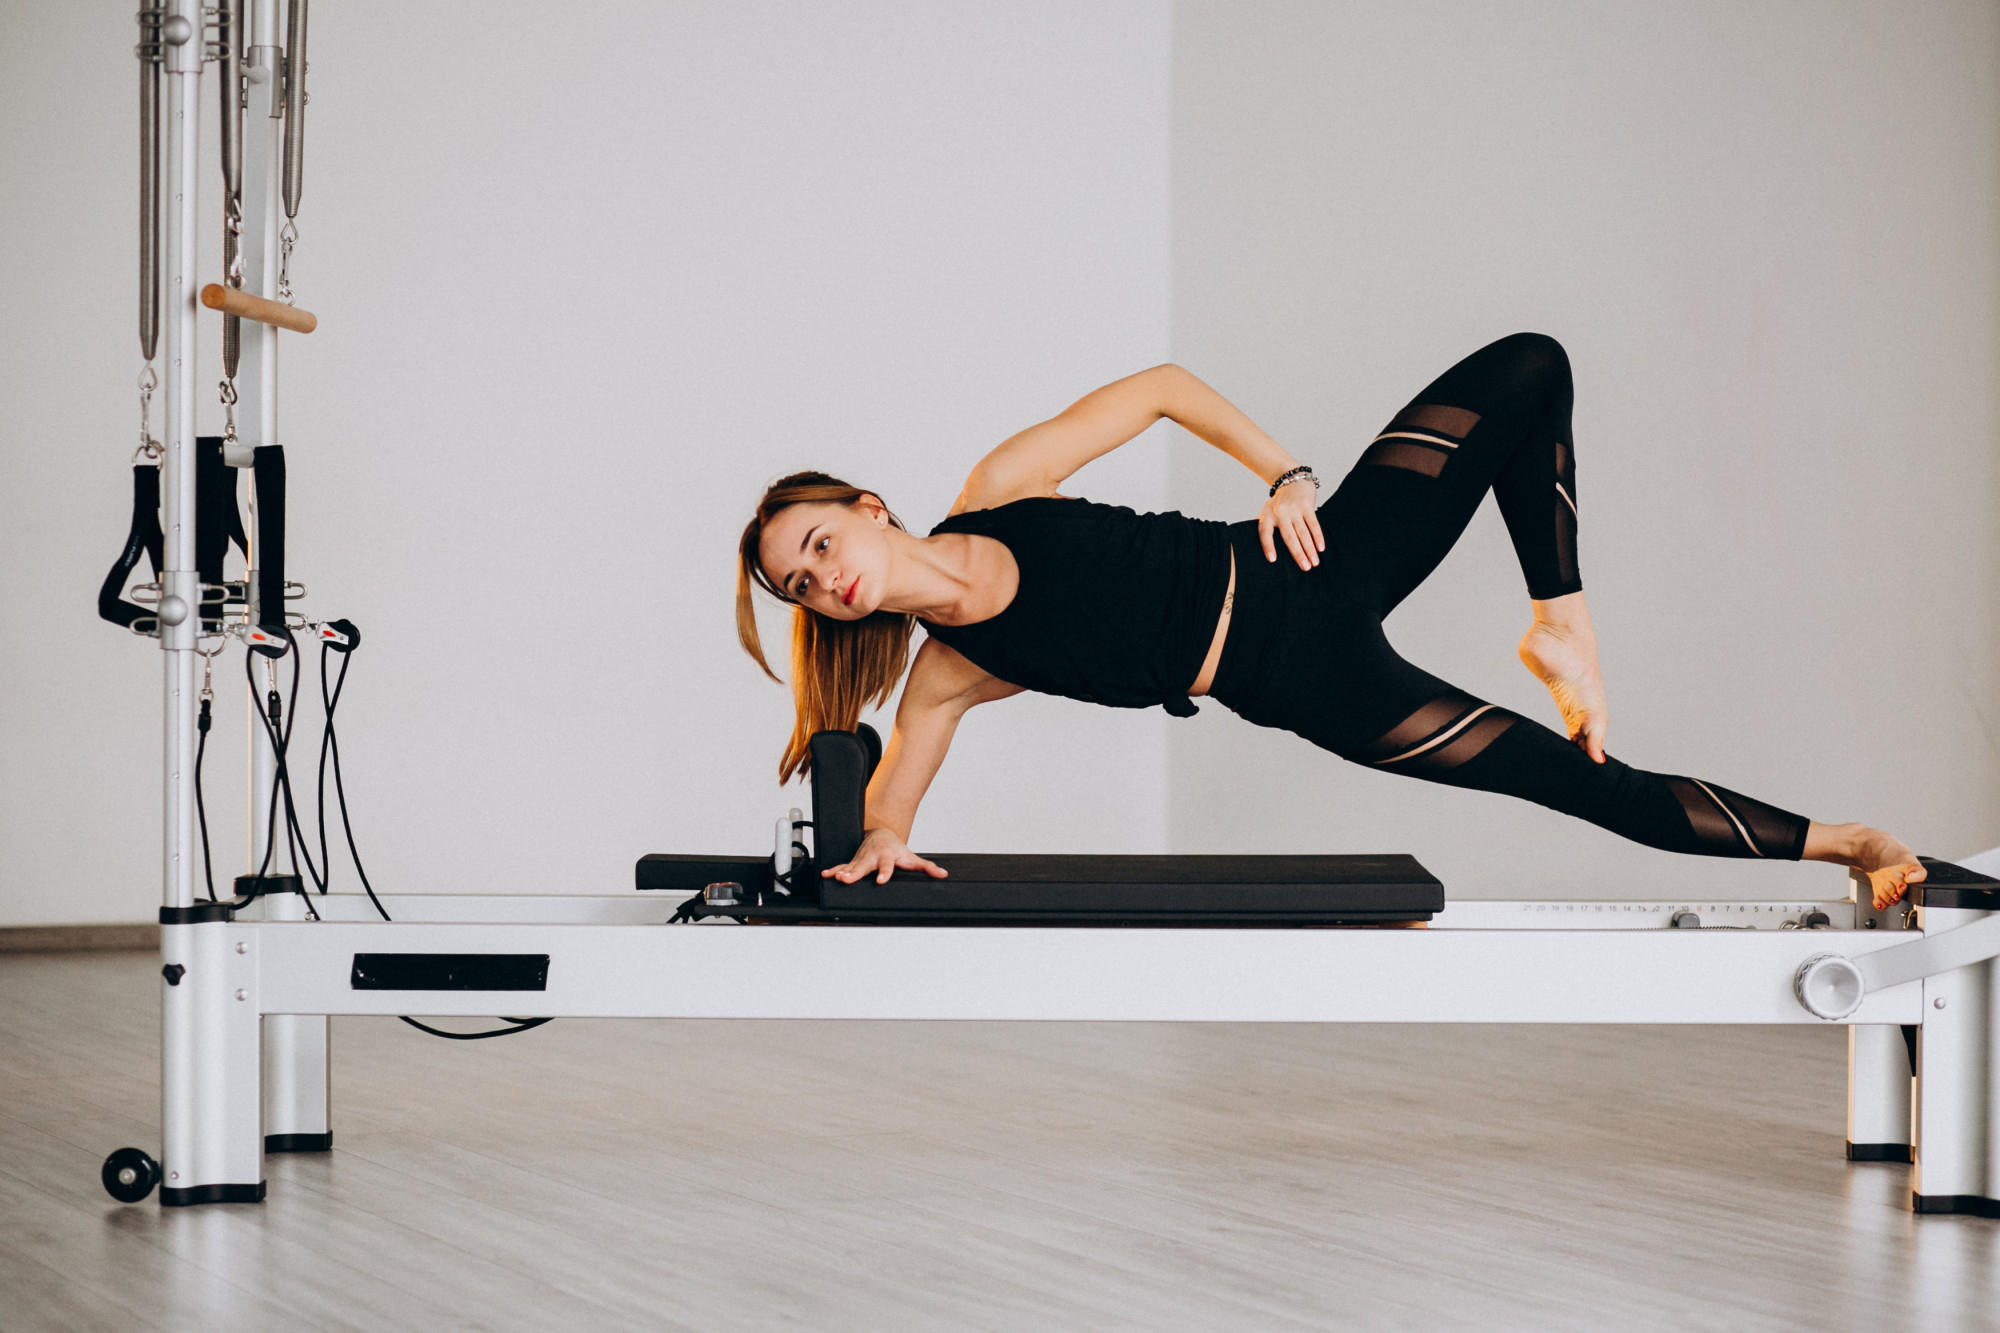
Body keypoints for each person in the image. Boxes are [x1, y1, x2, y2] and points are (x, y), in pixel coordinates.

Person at [734, 332, 1926, 910]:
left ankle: (1559, 620)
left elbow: (1158, 389)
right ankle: (1855, 844)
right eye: (799, 584)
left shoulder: (1001, 487)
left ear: (867, 508)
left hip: (1313, 551)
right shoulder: (945, 674)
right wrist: (877, 836)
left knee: (1528, 365)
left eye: (818, 543)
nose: (820, 579)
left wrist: (1285, 474)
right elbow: (886, 814)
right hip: (1313, 684)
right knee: (1577, 782)